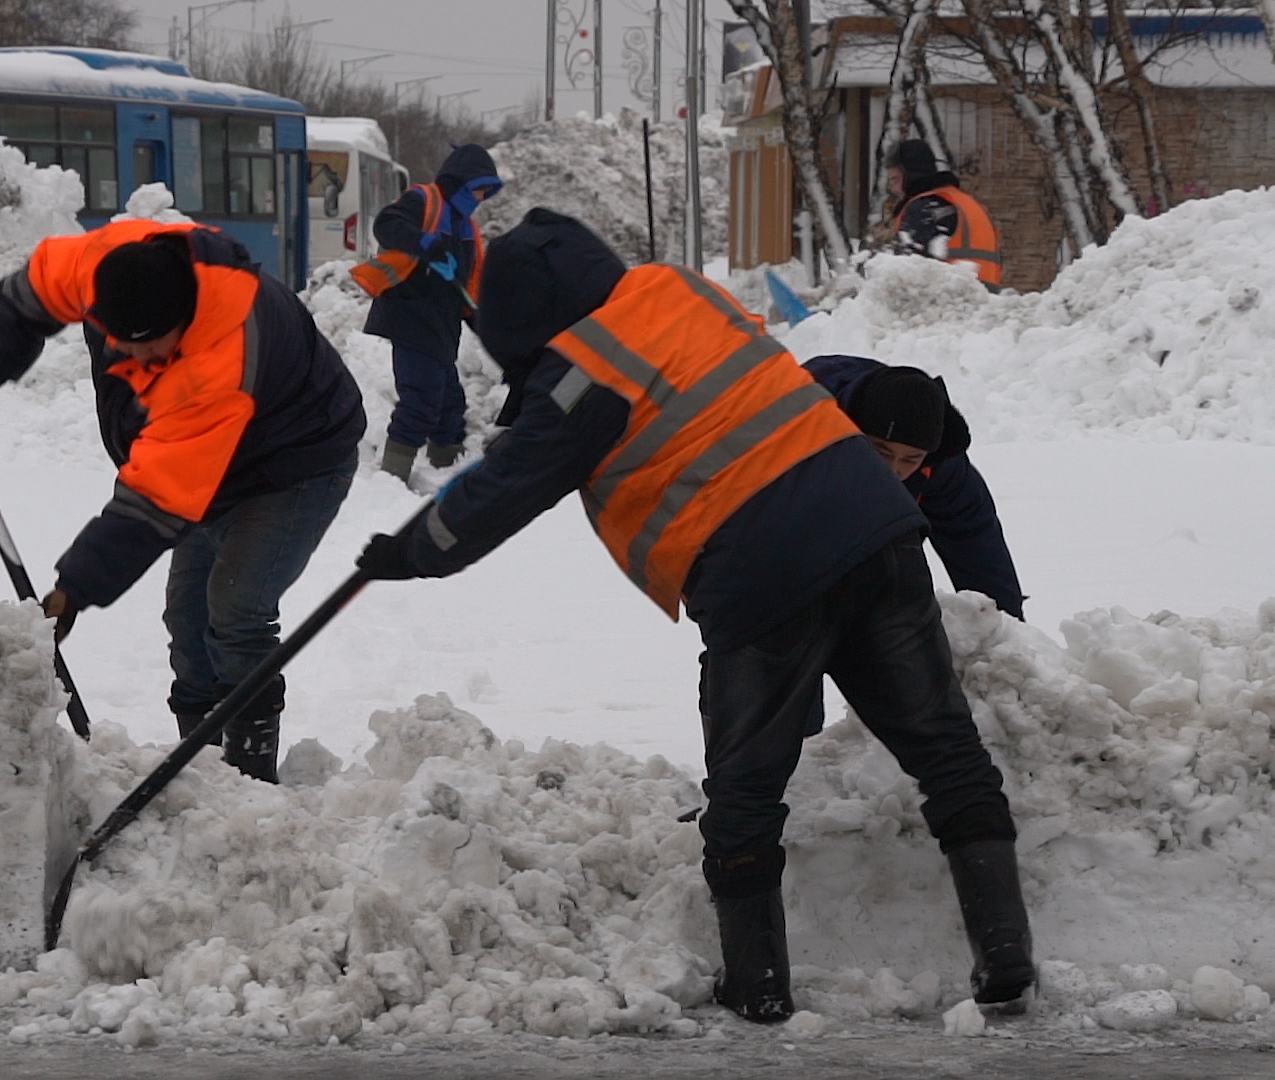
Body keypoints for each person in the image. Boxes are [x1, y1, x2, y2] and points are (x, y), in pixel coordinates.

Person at [353, 209, 1034, 1023]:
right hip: (877, 529)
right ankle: (1006, 958)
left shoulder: (579, 375)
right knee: (946, 750)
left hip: (760, 573)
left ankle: (759, 987)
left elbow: (502, 494)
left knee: (745, 792)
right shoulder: (678, 291)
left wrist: (408, 549)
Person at [0, 220, 365, 783]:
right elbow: (24, 297)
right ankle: (203, 767)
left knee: (235, 609)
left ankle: (252, 773)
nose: (133, 355)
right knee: (187, 619)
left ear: (183, 320)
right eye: (121, 340)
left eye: (150, 344)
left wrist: (75, 590)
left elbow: (154, 501)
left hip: (297, 462)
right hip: (211, 462)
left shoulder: (220, 361)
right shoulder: (99, 266)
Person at [804, 355, 1024, 622]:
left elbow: (976, 544)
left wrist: (1004, 629)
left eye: (911, 459)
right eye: (880, 451)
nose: (894, 469)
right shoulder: (803, 438)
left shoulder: (943, 464)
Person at [352, 144, 503, 483]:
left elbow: (468, 291)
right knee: (420, 402)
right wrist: (425, 244)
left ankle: (447, 471)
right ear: (462, 181)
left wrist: (493, 333)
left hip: (441, 329)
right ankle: (391, 480)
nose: (481, 197)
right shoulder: (424, 201)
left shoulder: (467, 229)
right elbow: (387, 225)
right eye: (479, 188)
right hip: (410, 320)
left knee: (449, 407)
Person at [885, 139, 1002, 288]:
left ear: (911, 176)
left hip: (947, 300)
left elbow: (907, 272)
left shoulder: (925, 209)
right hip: (986, 300)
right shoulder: (969, 204)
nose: (893, 188)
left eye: (895, 179)